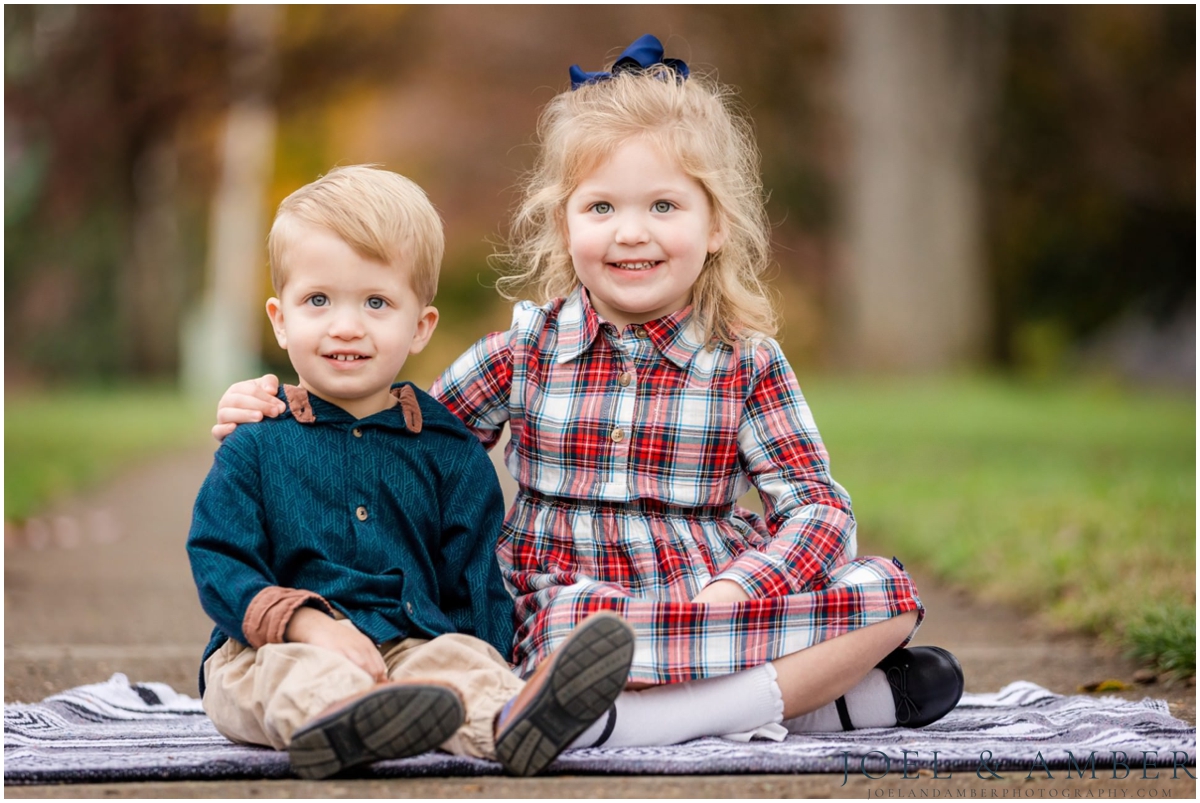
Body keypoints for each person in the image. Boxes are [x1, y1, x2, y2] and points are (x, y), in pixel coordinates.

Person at [213, 36, 963, 748]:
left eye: (663, 207)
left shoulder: (746, 363)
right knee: (578, 639)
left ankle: (679, 717)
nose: (630, 233)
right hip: (571, 601)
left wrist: (739, 588)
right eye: (601, 207)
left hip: (713, 592)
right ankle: (793, 707)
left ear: (714, 227)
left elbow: (817, 506)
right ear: (563, 222)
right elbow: (397, 442)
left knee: (886, 595)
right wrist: (281, 409)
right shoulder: (526, 350)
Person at [188, 165, 635, 780]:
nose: (347, 325)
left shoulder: (448, 451)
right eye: (318, 301)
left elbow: (475, 580)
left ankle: (511, 724)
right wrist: (304, 622)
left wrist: (484, 657)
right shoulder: (256, 445)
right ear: (280, 318)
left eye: (376, 302)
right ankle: (341, 723)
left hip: (408, 648)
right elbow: (219, 558)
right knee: (285, 678)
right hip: (273, 644)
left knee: (455, 663)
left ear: (420, 325)